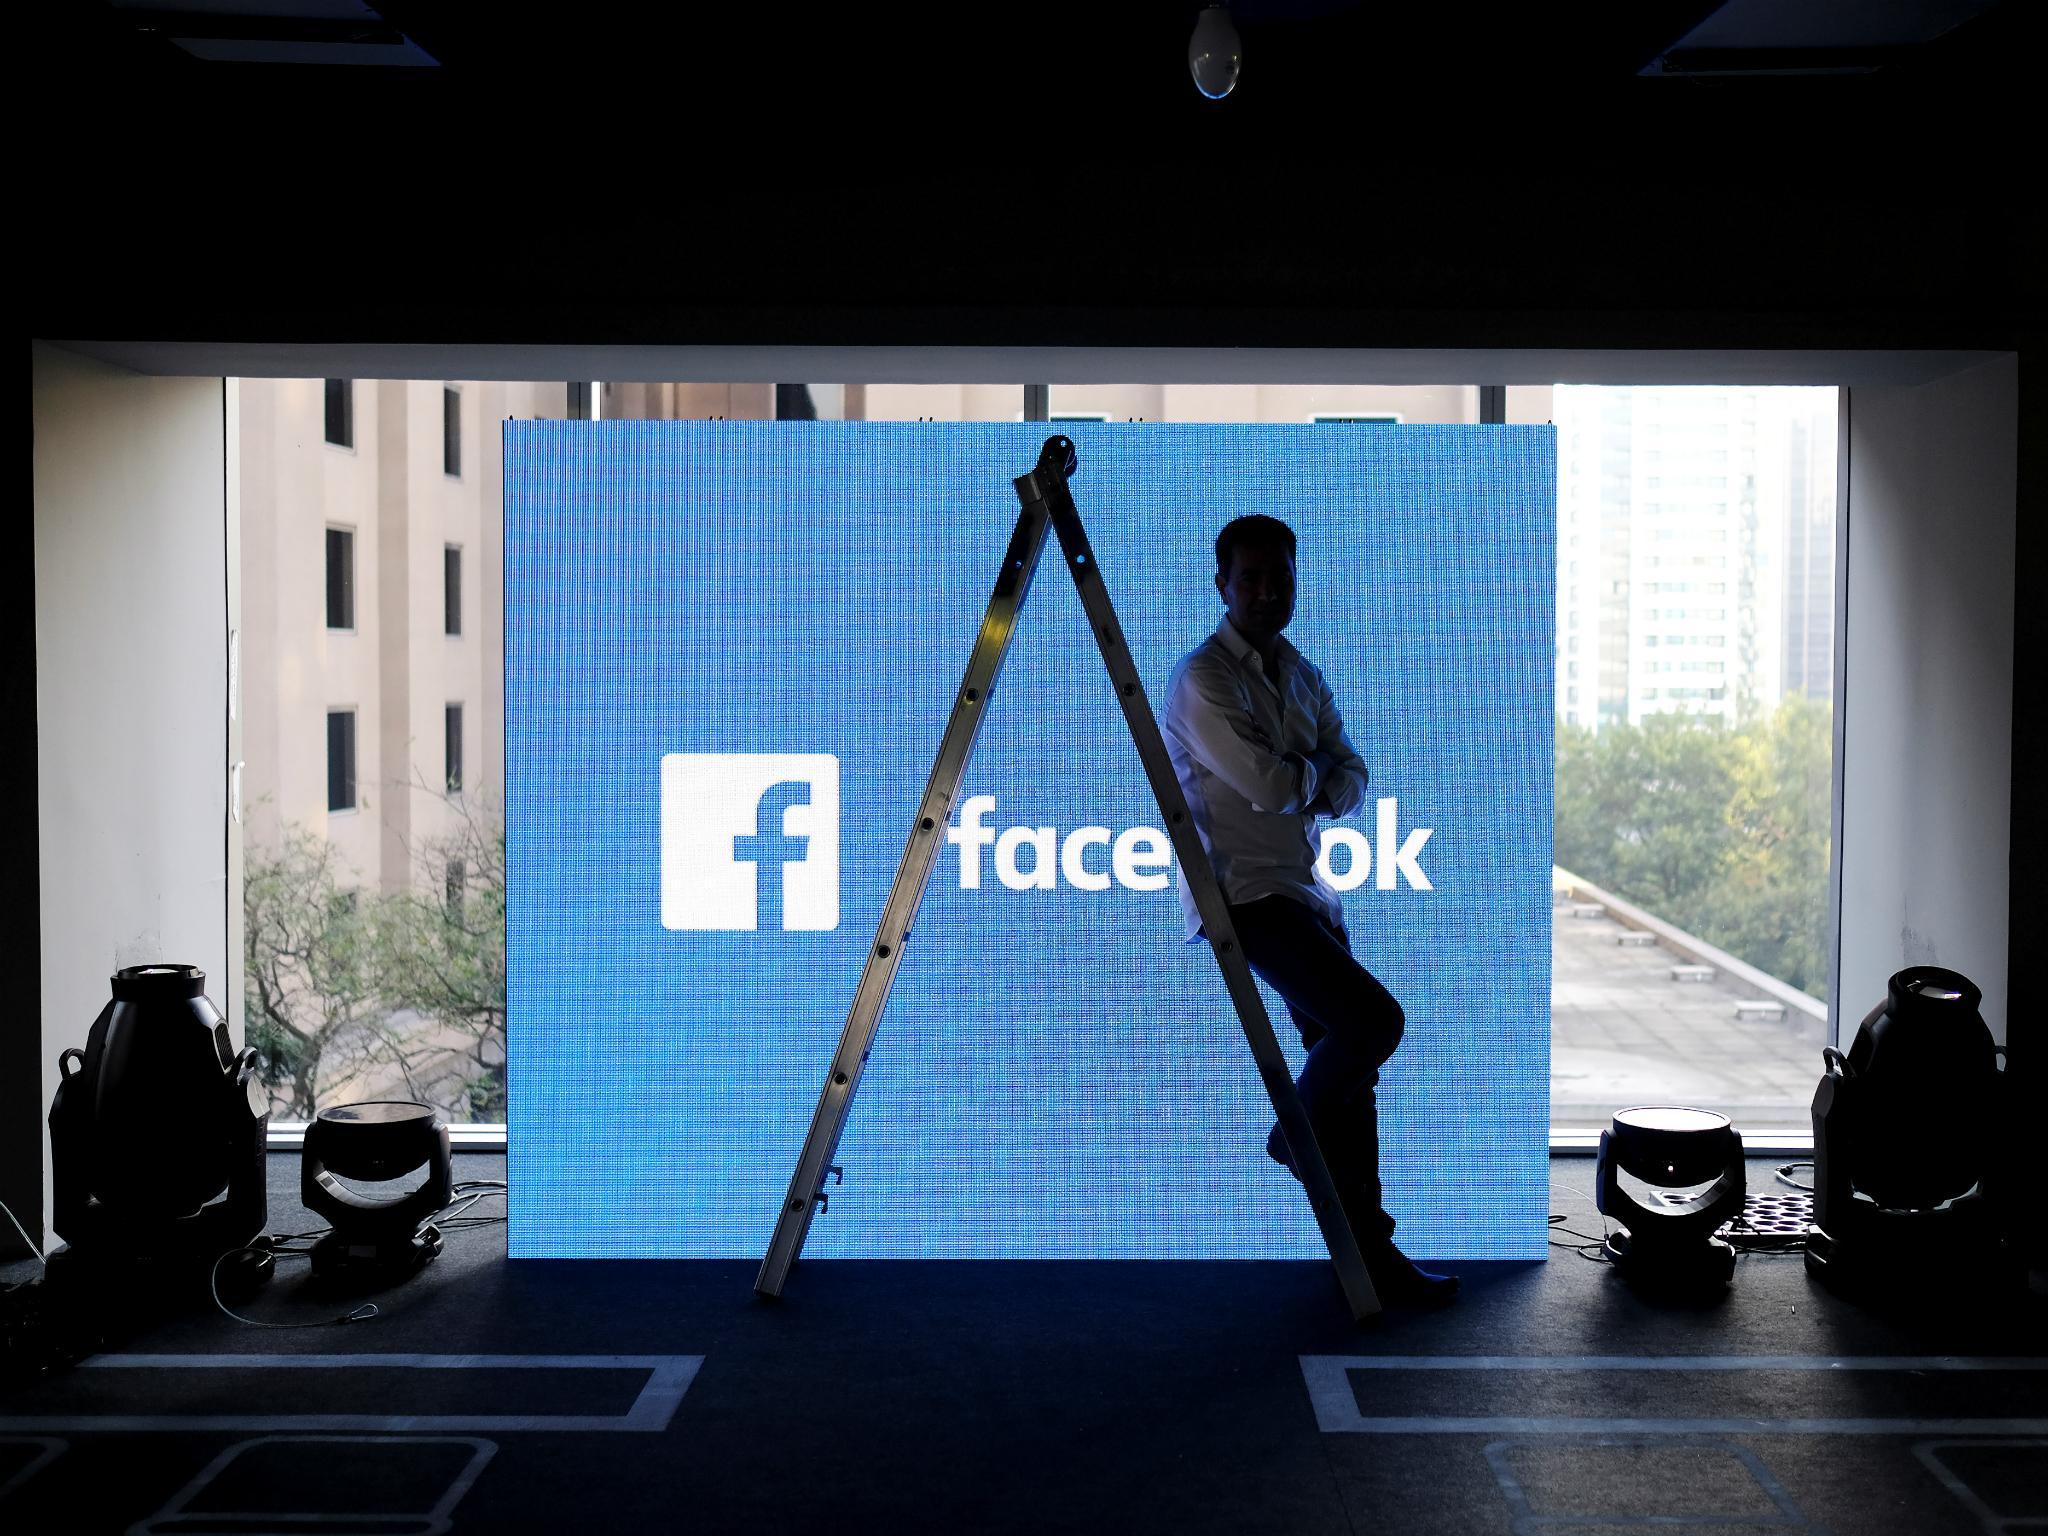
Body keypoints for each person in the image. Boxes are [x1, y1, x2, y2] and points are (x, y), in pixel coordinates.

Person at [1161, 513, 1457, 1309]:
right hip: (1246, 897)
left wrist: (1310, 774)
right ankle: (1293, 1134)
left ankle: (1371, 1258)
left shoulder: (1301, 673)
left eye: (1280, 577)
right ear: (1220, 585)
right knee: (1373, 1025)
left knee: (1353, 1084)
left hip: (1309, 895)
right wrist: (1311, 774)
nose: (1266, 591)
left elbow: (1352, 775)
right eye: (1250, 577)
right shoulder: (1204, 680)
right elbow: (1269, 787)